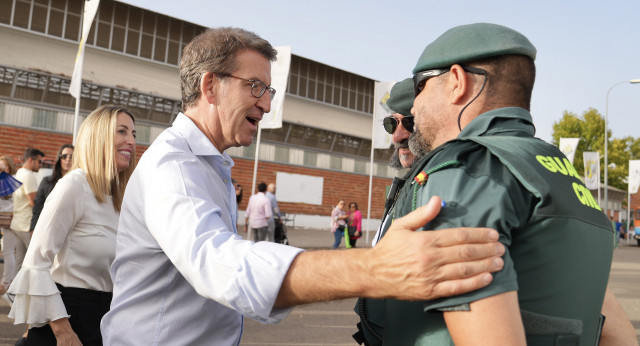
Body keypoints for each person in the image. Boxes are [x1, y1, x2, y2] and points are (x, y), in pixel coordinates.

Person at [101, 27, 506, 345]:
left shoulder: (211, 163)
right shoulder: (174, 166)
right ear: (210, 86)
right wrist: (374, 267)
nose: (266, 103)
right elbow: (221, 266)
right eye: (255, 86)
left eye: (269, 90)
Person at [361, 23, 615, 346]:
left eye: (420, 87)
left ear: (457, 81)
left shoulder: (465, 171)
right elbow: (616, 332)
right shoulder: (560, 171)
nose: (413, 106)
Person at [7, 105, 137, 345]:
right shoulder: (74, 186)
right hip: (67, 318)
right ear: (98, 137)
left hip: (105, 317)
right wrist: (63, 332)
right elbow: (35, 264)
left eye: (133, 134)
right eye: (122, 131)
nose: (131, 140)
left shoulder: (120, 196)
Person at [5, 148, 44, 294]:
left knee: (20, 263)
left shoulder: (20, 172)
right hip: (26, 225)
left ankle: (13, 294)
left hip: (17, 224)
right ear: (31, 160)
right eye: (39, 161)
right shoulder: (28, 176)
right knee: (36, 262)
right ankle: (30, 295)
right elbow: (34, 202)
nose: (41, 165)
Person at [30, 144, 74, 231]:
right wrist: (33, 229)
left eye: (72, 156)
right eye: (64, 156)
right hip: (47, 229)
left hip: (70, 231)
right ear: (59, 159)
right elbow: (37, 208)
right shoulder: (46, 181)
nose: (68, 159)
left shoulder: (80, 184)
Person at [0, 155, 18, 295]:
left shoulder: (13, 181)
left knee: (8, 251)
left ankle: (6, 282)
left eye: (5, 166)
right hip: (3, 218)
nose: (2, 169)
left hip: (9, 219)